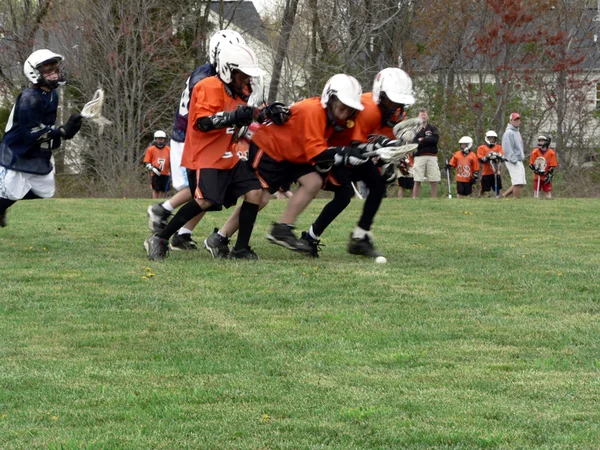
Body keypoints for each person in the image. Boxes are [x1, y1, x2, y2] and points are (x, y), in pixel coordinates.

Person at [202, 73, 371, 259]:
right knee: (260, 198)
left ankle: (283, 228)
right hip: (270, 148)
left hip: (293, 156)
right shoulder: (314, 110)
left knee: (313, 181)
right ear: (330, 98)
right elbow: (318, 152)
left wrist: (363, 148)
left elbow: (330, 147)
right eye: (342, 105)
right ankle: (220, 237)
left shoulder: (334, 120)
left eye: (350, 108)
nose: (346, 111)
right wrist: (343, 154)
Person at [144, 42, 267, 261]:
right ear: (229, 71)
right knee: (204, 201)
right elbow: (203, 123)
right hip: (205, 154)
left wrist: (267, 113)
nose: (247, 80)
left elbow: (247, 117)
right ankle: (160, 238)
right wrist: (234, 117)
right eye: (243, 75)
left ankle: (241, 248)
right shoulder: (207, 86)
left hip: (228, 153)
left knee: (255, 192)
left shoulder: (241, 91)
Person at [297, 67, 416, 259]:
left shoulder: (393, 113)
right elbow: (358, 144)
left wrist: (388, 163)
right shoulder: (369, 110)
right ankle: (309, 238)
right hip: (335, 149)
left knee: (377, 186)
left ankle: (360, 236)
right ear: (381, 94)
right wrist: (381, 154)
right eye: (393, 100)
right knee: (344, 195)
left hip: (354, 151)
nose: (396, 105)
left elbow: (376, 145)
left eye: (400, 101)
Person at [0, 49, 82, 227]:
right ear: (34, 73)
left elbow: (46, 126)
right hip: (18, 150)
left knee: (45, 190)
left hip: (36, 150)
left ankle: (2, 204)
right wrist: (59, 132)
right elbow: (29, 133)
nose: (54, 75)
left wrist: (66, 132)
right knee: (11, 192)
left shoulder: (53, 94)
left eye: (55, 70)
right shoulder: (29, 98)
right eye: (48, 72)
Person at [411, 108, 440, 198]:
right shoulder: (414, 129)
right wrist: (426, 140)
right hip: (419, 156)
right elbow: (414, 142)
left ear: (427, 116)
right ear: (418, 117)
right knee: (417, 179)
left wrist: (423, 139)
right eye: (421, 115)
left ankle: (434, 199)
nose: (423, 116)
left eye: (425, 114)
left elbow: (435, 140)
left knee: (434, 179)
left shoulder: (433, 128)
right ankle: (414, 198)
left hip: (432, 156)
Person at [501, 112, 526, 199]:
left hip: (518, 160)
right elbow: (507, 149)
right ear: (511, 121)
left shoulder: (517, 132)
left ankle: (504, 195)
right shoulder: (508, 133)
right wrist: (513, 159)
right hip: (512, 160)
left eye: (518, 119)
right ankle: (516, 198)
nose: (517, 121)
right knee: (517, 182)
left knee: (521, 182)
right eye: (515, 119)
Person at [529, 133, 558, 199]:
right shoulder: (535, 152)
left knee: (548, 192)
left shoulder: (551, 153)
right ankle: (535, 202)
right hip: (537, 176)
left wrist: (549, 174)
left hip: (546, 175)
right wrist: (536, 170)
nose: (540, 142)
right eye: (540, 141)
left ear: (547, 142)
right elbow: (531, 164)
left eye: (542, 141)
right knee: (536, 192)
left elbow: (552, 165)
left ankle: (548, 203)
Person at [143, 130, 171, 199]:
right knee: (156, 190)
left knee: (164, 191)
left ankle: (163, 204)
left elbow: (172, 161)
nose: (160, 141)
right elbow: (146, 162)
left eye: (161, 139)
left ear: (164, 139)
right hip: (155, 174)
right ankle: (154, 202)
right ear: (155, 139)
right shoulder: (151, 149)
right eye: (158, 139)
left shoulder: (169, 150)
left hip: (166, 173)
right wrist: (153, 169)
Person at [477, 130, 504, 197]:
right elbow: (481, 159)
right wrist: (488, 157)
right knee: (484, 187)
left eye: (493, 138)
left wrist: (497, 156)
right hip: (486, 171)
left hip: (496, 170)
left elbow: (502, 156)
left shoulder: (498, 147)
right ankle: (480, 196)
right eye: (490, 138)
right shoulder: (482, 148)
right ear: (487, 138)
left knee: (498, 186)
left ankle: (499, 196)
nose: (492, 140)